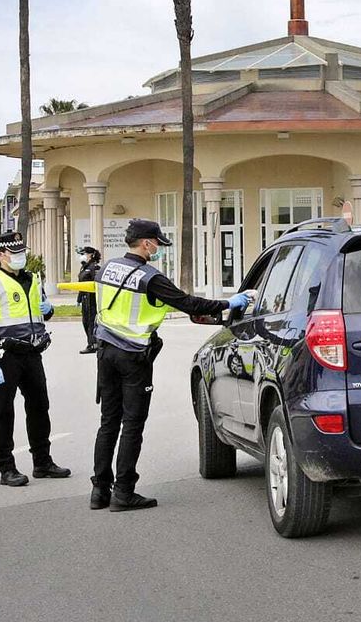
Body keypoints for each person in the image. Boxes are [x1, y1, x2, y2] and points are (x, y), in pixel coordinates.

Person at [92, 219, 254, 512]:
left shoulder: (107, 268)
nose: (159, 249)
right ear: (146, 243)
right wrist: (229, 303)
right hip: (133, 357)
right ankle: (124, 492)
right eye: (157, 243)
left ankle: (99, 491)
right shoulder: (149, 277)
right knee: (132, 424)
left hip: (105, 352)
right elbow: (189, 304)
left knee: (108, 422)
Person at [0, 231, 69, 488]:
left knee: (39, 407)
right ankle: (7, 468)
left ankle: (42, 462)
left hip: (32, 353)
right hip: (5, 356)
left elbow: (40, 313)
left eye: (21, 252)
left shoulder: (32, 279)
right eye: (14, 253)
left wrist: (49, 311)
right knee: (3, 413)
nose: (20, 257)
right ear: (0, 255)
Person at [76, 246, 102, 354]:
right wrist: (79, 299)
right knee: (85, 322)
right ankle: (91, 342)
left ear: (91, 255)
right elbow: (81, 284)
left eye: (85, 254)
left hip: (92, 299)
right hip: (85, 299)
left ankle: (93, 344)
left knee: (91, 322)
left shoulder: (94, 267)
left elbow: (97, 284)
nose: (83, 256)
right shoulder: (84, 267)